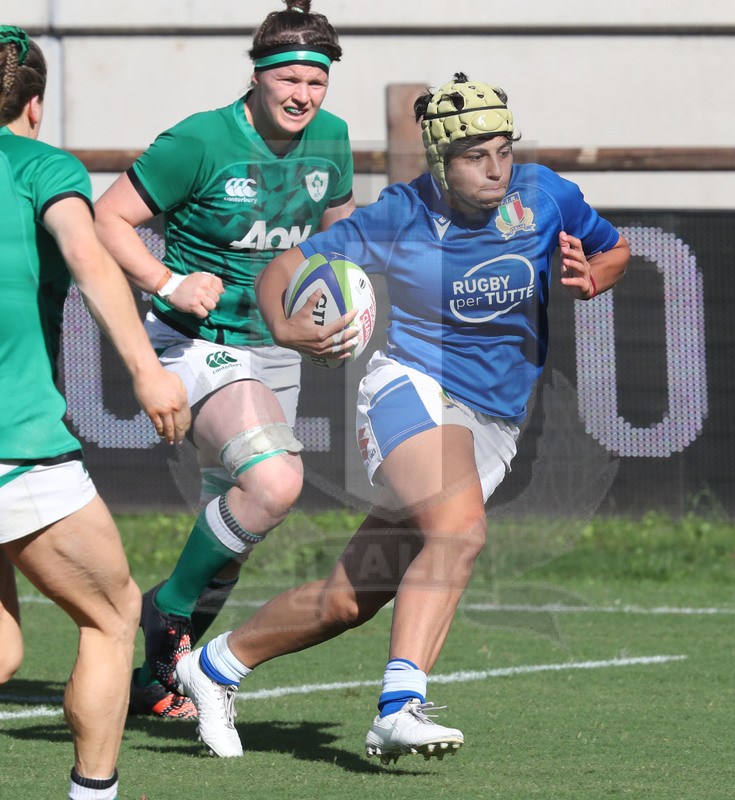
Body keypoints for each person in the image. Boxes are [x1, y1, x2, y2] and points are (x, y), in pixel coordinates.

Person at [174, 72, 630, 761]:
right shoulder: (399, 214)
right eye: (476, 155)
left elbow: (612, 246)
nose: (495, 167)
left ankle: (213, 668)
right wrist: (285, 327)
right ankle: (399, 705)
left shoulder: (545, 196)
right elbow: (281, 268)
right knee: (459, 531)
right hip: (409, 387)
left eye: (504, 149)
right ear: (440, 161)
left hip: (495, 418)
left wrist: (595, 276)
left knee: (349, 599)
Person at [94, 0, 356, 720]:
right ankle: (164, 615)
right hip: (195, 343)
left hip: (276, 349)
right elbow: (106, 217)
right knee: (273, 483)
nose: (304, 96)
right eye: (291, 80)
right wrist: (166, 281)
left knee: (237, 525)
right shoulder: (199, 141)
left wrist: (334, 309)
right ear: (258, 75)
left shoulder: (330, 139)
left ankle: (154, 678)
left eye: (318, 81)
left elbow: (335, 236)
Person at [0, 27, 190, 800]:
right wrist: (148, 372)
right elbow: (89, 255)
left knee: (3, 650)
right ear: (34, 105)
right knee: (113, 618)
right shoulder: (40, 167)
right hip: (15, 444)